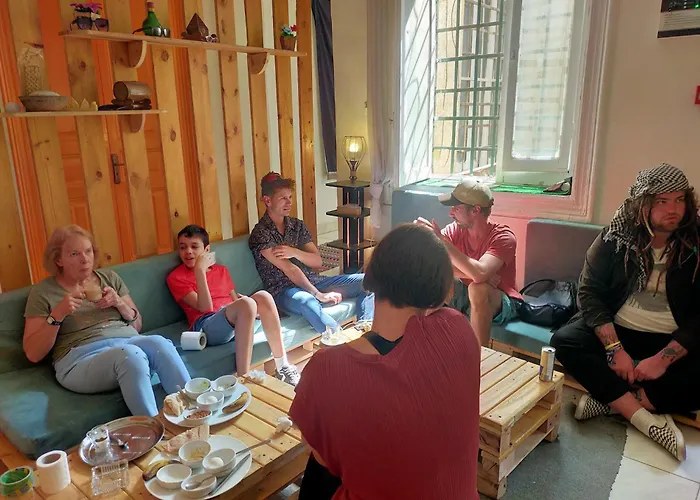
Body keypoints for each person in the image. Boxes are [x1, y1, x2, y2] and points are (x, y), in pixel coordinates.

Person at [289, 224, 481, 500]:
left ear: (372, 278)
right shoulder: (460, 328)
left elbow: (316, 449)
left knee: (320, 469)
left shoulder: (329, 369)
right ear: (440, 290)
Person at [551, 163, 700, 461]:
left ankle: (611, 401)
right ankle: (646, 420)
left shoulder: (696, 241)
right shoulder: (615, 237)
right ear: (642, 204)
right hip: (619, 329)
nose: (673, 209)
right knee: (564, 341)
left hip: (673, 337)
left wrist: (663, 359)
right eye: (662, 201)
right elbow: (589, 292)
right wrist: (614, 348)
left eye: (679, 199)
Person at [23, 225, 191, 417]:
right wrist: (57, 315)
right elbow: (33, 353)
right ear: (58, 260)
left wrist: (118, 303)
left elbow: (137, 325)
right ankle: (154, 428)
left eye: (88, 251)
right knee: (130, 356)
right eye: (74, 254)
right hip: (80, 358)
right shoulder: (43, 292)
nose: (85, 259)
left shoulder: (109, 278)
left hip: (127, 342)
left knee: (160, 343)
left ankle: (195, 413)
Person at [167, 225, 300, 386]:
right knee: (247, 303)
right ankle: (244, 377)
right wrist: (199, 272)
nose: (188, 251)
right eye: (183, 247)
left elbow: (234, 299)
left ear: (206, 250)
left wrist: (249, 308)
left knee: (263, 296)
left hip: (233, 321)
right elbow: (205, 308)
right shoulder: (176, 277)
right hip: (207, 326)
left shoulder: (221, 270)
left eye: (194, 247)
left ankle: (283, 367)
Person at [248, 172, 374, 334]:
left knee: (370, 281)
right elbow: (290, 269)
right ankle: (337, 337)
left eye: (290, 197)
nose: (289, 202)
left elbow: (317, 261)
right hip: (284, 291)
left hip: (313, 281)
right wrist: (317, 294)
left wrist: (294, 252)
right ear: (267, 201)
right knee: (307, 301)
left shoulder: (297, 226)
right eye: (283, 198)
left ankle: (365, 330)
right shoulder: (261, 233)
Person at [415, 178, 521, 345]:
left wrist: (442, 241)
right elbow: (434, 266)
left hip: (502, 302)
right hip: (465, 294)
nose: (451, 213)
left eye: (456, 208)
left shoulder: (503, 237)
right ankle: (419, 344)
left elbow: (479, 274)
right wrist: (477, 275)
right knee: (430, 277)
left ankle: (478, 354)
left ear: (475, 210)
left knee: (478, 289)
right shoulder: (454, 230)